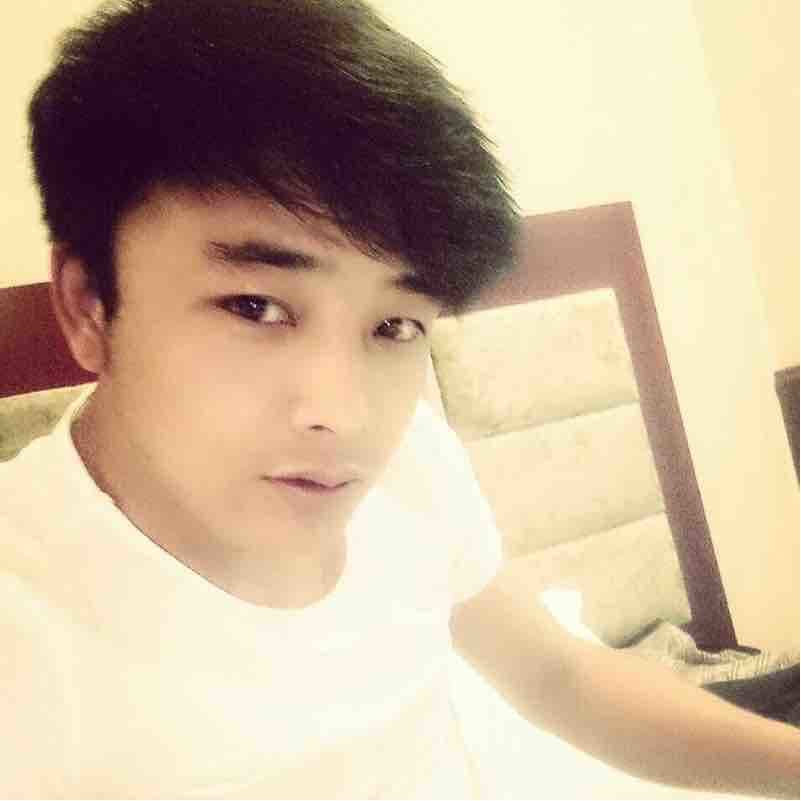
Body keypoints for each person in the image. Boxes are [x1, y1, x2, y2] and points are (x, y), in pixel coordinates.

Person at [2, 0, 797, 797]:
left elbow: (557, 676)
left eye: (394, 325)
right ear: (88, 304)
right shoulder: (26, 632)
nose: (343, 413)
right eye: (255, 306)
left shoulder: (412, 457)